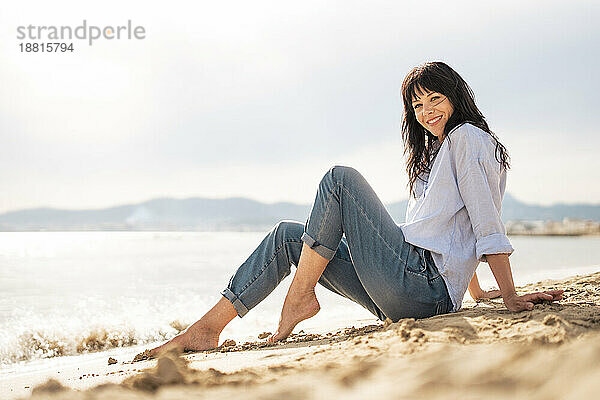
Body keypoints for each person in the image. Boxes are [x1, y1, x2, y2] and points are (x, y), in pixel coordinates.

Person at [149, 61, 563, 355]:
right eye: (417, 107)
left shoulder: (468, 138)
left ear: (456, 97)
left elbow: (485, 221)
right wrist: (474, 291)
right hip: (405, 293)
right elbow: (452, 234)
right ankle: (207, 329)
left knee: (339, 179)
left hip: (420, 289)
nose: (426, 112)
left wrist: (508, 296)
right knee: (288, 236)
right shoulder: (439, 152)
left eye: (435, 98)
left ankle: (299, 297)